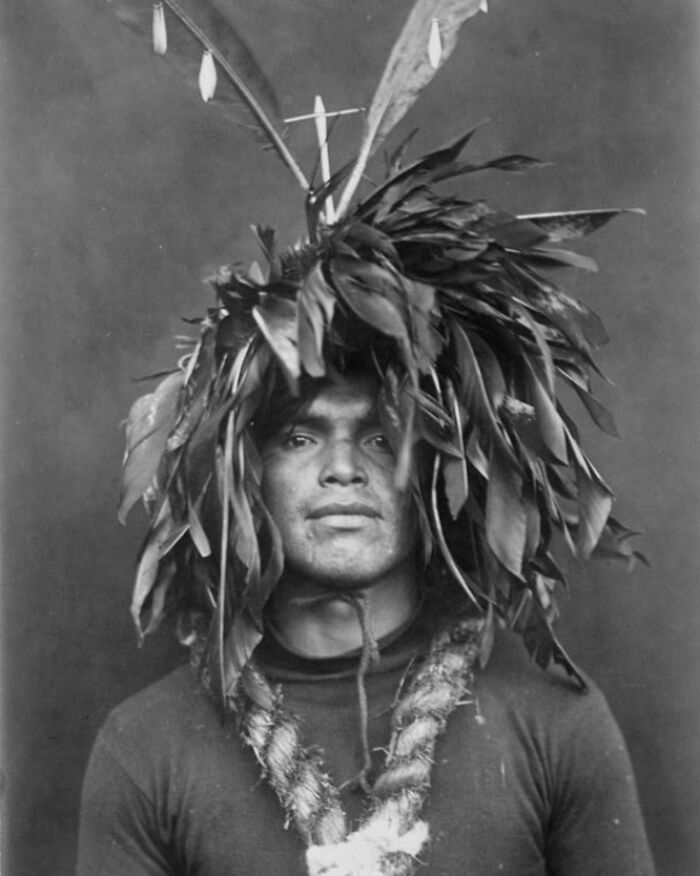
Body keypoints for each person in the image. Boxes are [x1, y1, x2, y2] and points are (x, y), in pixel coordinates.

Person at [83, 2, 656, 873]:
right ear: (242, 471)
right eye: (300, 439)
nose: (343, 469)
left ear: (440, 471)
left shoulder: (554, 727)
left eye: (384, 439)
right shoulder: (146, 750)